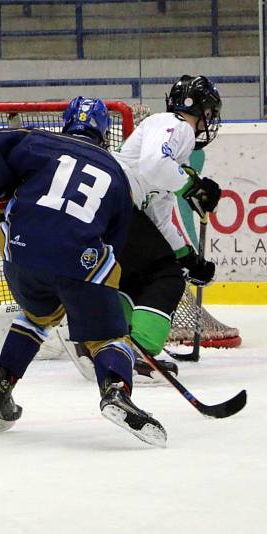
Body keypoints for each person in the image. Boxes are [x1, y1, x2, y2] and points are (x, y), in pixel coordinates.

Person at [0, 97, 166, 447]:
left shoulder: (35, 140)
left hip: (21, 255)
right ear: (104, 131)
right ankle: (115, 390)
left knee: (35, 317)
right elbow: (115, 239)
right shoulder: (117, 172)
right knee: (107, 337)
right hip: (78, 258)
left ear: (67, 122)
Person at [110, 75, 222, 382]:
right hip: (115, 206)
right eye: (209, 113)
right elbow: (154, 166)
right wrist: (193, 186)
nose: (208, 121)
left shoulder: (171, 151)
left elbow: (158, 217)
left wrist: (188, 258)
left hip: (113, 213)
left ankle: (109, 342)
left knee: (138, 274)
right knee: (167, 277)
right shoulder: (177, 126)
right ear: (201, 110)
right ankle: (140, 348)